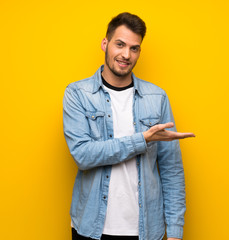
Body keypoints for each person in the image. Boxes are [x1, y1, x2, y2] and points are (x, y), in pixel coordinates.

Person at [63, 12, 195, 240]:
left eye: (134, 48)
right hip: (91, 228)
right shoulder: (78, 94)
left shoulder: (157, 97)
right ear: (105, 44)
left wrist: (175, 231)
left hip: (145, 230)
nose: (126, 55)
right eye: (120, 44)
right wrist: (142, 140)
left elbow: (171, 170)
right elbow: (83, 155)